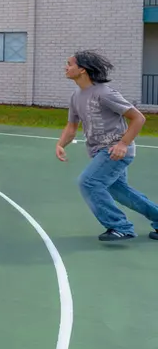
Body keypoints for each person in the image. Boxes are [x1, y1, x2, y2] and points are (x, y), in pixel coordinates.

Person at [55, 50, 158, 242]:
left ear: (82, 70)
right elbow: (71, 127)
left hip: (114, 151)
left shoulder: (105, 93)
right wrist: (61, 144)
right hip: (99, 152)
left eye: (69, 64)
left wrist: (123, 144)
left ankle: (120, 226)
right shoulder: (76, 96)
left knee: (89, 182)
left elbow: (138, 118)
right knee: (121, 192)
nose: (65, 67)